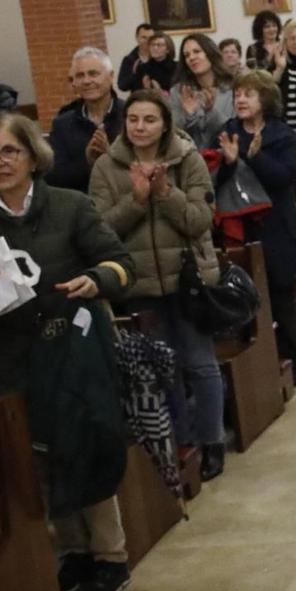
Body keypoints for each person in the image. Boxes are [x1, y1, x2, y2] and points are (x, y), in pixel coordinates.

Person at [0, 113, 137, 591]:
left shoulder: (69, 206)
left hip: (71, 347)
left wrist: (97, 280)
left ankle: (110, 556)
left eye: (9, 151)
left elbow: (120, 263)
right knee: (40, 456)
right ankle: (71, 552)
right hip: (10, 356)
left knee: (86, 443)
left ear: (33, 156)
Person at [89, 91, 229, 481]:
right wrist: (135, 201)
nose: (140, 127)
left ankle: (212, 441)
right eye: (133, 119)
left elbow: (201, 221)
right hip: (139, 283)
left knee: (200, 363)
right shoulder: (106, 167)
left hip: (188, 281)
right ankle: (181, 443)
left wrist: (166, 194)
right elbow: (99, 229)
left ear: (165, 124)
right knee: (162, 368)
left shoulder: (188, 159)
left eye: (149, 120)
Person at [223, 72, 296, 380]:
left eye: (248, 94)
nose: (241, 100)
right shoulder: (229, 131)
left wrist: (254, 158)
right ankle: (253, 369)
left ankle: (291, 363)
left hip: (277, 227)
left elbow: (284, 177)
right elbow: (217, 179)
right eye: (237, 94)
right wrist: (230, 163)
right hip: (242, 225)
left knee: (280, 296)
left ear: (265, 100)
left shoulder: (282, 134)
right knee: (242, 295)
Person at [46, 47, 127, 194]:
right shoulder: (62, 124)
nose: (87, 81)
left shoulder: (130, 116)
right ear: (74, 83)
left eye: (93, 74)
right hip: (82, 204)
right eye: (80, 76)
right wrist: (87, 163)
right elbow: (54, 177)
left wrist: (110, 157)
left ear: (111, 76)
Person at [169, 32, 235, 151]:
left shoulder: (232, 88)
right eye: (187, 55)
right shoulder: (178, 91)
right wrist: (189, 116)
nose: (192, 58)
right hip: (192, 160)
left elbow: (233, 130)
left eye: (197, 51)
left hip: (226, 158)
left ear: (210, 53)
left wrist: (211, 111)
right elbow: (174, 133)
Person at [117, 23, 155, 95]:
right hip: (138, 101)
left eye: (150, 38)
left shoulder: (158, 57)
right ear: (137, 38)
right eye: (144, 37)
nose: (147, 41)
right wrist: (134, 74)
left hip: (158, 100)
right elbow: (122, 86)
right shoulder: (129, 59)